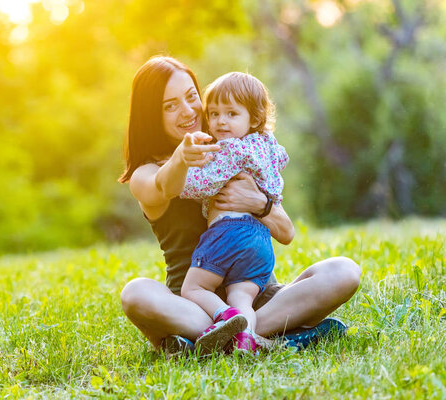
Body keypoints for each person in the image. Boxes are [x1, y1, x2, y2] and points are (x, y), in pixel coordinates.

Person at [119, 56, 361, 355]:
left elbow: (286, 232)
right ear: (151, 116)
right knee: (135, 293)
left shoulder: (234, 147)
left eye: (192, 97)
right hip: (195, 303)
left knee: (344, 271)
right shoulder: (146, 173)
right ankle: (270, 338)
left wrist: (260, 203)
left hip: (255, 295)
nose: (188, 110)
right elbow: (163, 187)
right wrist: (181, 158)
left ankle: (216, 341)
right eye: (170, 106)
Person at [179, 71, 289, 354]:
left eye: (231, 113)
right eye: (214, 114)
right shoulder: (267, 145)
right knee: (242, 297)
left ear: (254, 118)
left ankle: (223, 317)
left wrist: (180, 180)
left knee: (193, 289)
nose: (220, 122)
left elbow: (203, 183)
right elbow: (282, 159)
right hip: (261, 241)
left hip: (228, 232)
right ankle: (246, 338)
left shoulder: (230, 149)